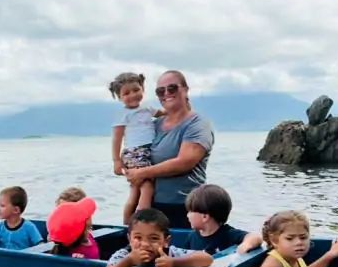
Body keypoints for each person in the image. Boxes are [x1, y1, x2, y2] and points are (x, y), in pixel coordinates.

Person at [125, 70, 214, 229]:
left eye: (172, 88)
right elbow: (137, 150)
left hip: (186, 208)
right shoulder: (154, 124)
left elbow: (184, 162)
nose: (166, 93)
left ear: (185, 89)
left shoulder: (197, 124)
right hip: (153, 207)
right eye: (160, 91)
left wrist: (141, 173)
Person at [99, 208, 213, 267]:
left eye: (153, 238)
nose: (145, 244)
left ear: (165, 241)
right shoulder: (124, 254)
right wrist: (129, 261)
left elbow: (207, 259)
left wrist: (173, 262)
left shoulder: (170, 253)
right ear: (129, 239)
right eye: (138, 237)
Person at [109, 72, 164, 224]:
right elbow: (117, 138)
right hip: (135, 152)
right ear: (119, 97)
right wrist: (116, 161)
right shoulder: (123, 114)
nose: (132, 95)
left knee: (135, 191)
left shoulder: (148, 108)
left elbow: (167, 113)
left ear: (143, 89)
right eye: (126, 93)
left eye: (136, 90)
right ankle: (141, 223)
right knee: (147, 188)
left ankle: (127, 226)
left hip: (147, 151)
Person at [246, 210, 338, 267]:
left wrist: (331, 254)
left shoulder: (296, 258)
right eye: (290, 238)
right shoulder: (275, 261)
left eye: (303, 237)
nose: (299, 243)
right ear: (275, 240)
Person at [174, 184, 263, 255]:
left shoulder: (228, 234)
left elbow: (256, 237)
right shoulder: (192, 237)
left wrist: (246, 244)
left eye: (190, 211)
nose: (187, 215)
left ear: (205, 217)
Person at [0, 186, 43, 250]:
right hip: (2, 259)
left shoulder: (29, 227)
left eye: (2, 206)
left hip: (22, 259)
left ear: (16, 210)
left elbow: (40, 246)